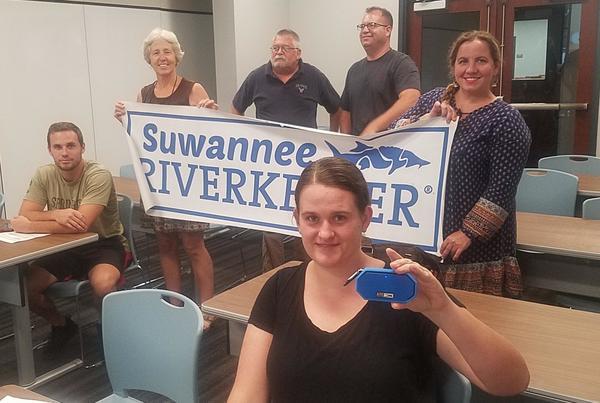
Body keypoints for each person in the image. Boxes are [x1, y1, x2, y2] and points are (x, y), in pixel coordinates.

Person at [228, 157, 529, 402]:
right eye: (312, 218)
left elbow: (510, 382)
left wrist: (443, 311)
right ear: (297, 219)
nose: (324, 233)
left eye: (339, 218)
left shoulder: (407, 291)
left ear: (366, 218)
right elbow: (246, 393)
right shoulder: (280, 288)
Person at [393, 30, 532, 297]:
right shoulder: (433, 100)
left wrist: (468, 233)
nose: (471, 69)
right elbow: (393, 137)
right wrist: (427, 121)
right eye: (462, 61)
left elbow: (501, 189)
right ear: (453, 66)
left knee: (470, 323)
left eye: (481, 61)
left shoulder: (506, 120)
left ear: (495, 68)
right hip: (425, 238)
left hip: (474, 248)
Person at [114, 28, 217, 328]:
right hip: (158, 185)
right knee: (166, 245)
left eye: (167, 51)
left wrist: (211, 112)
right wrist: (125, 118)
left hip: (188, 184)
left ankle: (208, 307)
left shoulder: (192, 89)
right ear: (149, 58)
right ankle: (175, 303)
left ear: (177, 56)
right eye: (156, 52)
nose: (162, 57)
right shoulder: (143, 95)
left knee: (194, 245)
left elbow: (212, 134)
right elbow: (140, 139)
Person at [231, 28, 341, 271]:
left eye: (285, 48)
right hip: (269, 165)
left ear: (298, 53)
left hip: (307, 165)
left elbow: (337, 108)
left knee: (307, 217)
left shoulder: (313, 77)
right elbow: (236, 108)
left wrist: (333, 140)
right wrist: (244, 137)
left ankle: (308, 271)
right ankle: (273, 276)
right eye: (275, 48)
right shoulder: (257, 77)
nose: (278, 52)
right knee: (271, 227)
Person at [11, 122, 126, 353]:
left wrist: (29, 226)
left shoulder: (98, 174)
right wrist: (57, 214)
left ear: (82, 147)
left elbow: (81, 225)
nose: (64, 152)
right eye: (58, 147)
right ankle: (61, 325)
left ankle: (108, 332)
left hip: (102, 243)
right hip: (63, 246)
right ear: (49, 150)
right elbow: (26, 212)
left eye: (71, 146)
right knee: (25, 289)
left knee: (103, 285)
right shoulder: (44, 174)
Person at [340, 6, 420, 136]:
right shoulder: (354, 70)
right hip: (357, 149)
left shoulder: (401, 63)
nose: (365, 30)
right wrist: (346, 143)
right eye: (362, 26)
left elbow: (411, 99)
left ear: (388, 30)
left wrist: (374, 127)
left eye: (372, 25)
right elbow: (345, 111)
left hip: (387, 148)